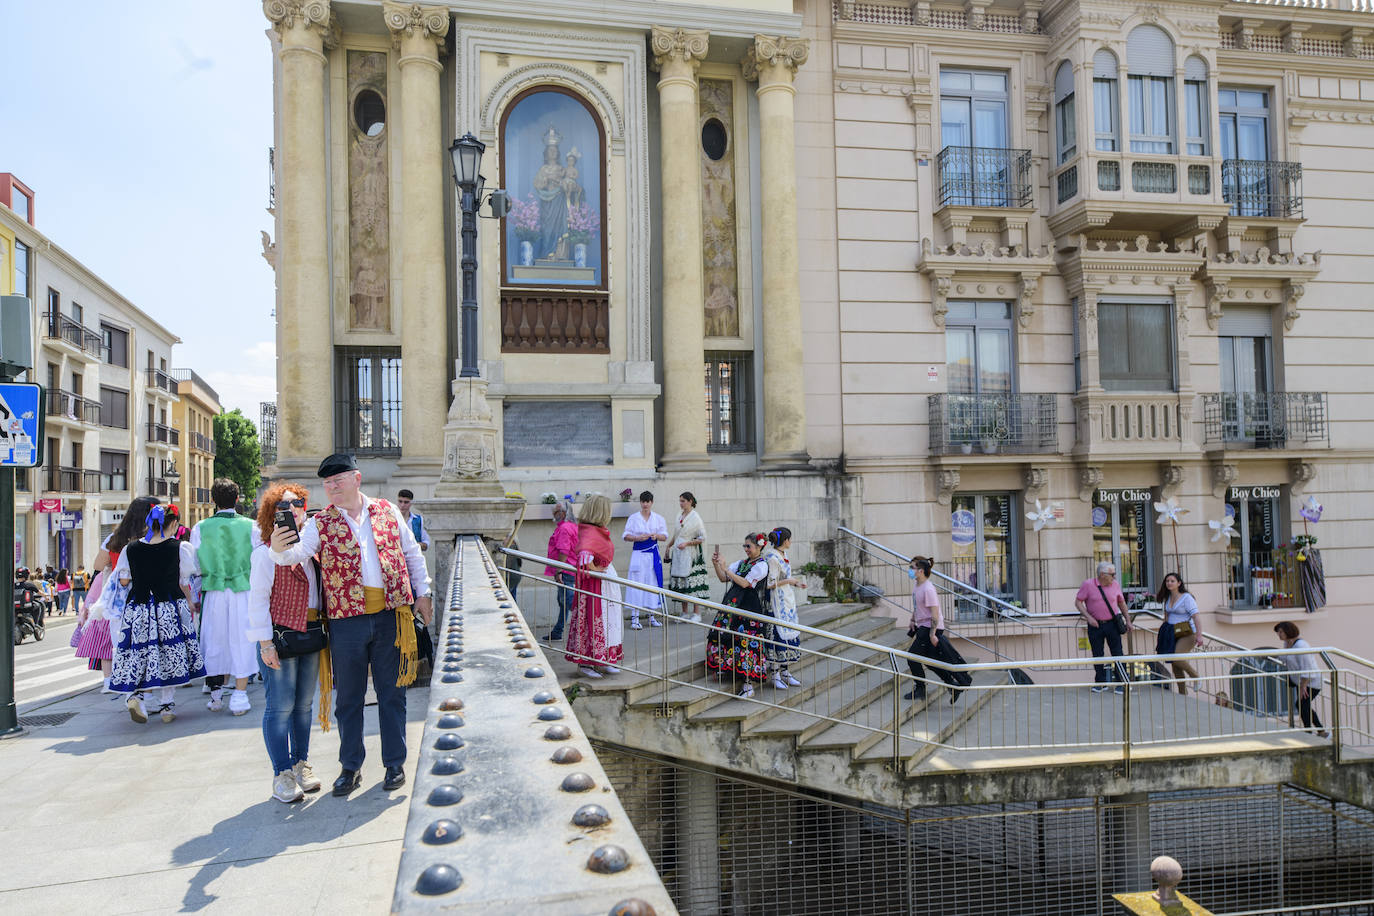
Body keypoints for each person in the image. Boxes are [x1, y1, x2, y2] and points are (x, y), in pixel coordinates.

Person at [269, 453, 432, 796]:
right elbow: (295, 554)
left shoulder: (387, 511)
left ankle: (394, 763)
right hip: (346, 622)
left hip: (391, 616)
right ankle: (351, 766)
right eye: (327, 484)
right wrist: (278, 549)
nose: (331, 488)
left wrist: (424, 592)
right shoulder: (319, 523)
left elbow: (411, 552)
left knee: (392, 693)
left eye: (337, 482)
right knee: (349, 699)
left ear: (356, 479)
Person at [248, 481, 330, 804]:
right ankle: (281, 773)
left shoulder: (310, 550)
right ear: (272, 515)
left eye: (297, 503)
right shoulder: (264, 555)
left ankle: (300, 764)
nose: (293, 510)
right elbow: (257, 600)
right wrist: (265, 643)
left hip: (310, 633)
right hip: (280, 636)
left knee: (304, 706)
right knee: (280, 707)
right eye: (284, 506)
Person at [109, 505, 207, 724]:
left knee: (140, 652)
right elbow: (184, 581)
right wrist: (191, 602)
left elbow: (124, 580)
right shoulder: (180, 547)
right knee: (170, 652)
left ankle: (137, 695)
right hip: (168, 605)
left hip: (139, 606)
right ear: (173, 523)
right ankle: (167, 705)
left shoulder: (130, 549)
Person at [76, 497, 158, 691]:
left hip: (118, 598)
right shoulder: (153, 537)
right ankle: (144, 685)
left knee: (120, 640)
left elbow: (97, 565)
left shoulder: (114, 537)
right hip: (147, 592)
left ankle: (119, 681)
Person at [193, 479, 258, 716]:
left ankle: (216, 695)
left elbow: (196, 565)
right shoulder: (252, 526)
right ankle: (240, 696)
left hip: (214, 589)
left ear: (212, 500)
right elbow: (259, 560)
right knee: (243, 639)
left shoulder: (200, 527)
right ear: (238, 498)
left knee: (214, 640)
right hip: (243, 589)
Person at [564, 493, 624, 678]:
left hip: (605, 582)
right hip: (594, 585)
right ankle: (586, 663)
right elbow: (583, 557)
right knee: (593, 621)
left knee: (609, 621)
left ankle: (605, 659)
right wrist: (594, 568)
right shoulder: (590, 532)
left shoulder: (598, 531)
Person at [706, 533, 771, 699]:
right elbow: (723, 578)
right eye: (745, 546)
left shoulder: (762, 566)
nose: (746, 549)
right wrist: (717, 565)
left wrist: (726, 567)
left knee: (747, 642)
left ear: (759, 547)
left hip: (749, 608)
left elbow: (746, 583)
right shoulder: (741, 563)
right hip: (733, 605)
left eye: (749, 546)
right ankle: (728, 669)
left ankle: (748, 685)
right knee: (726, 636)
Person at [905, 555, 973, 703]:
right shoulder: (918, 586)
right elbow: (919, 606)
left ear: (921, 571)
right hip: (923, 626)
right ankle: (952, 686)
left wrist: (932, 634)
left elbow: (935, 613)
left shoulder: (928, 589)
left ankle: (920, 689)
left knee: (912, 657)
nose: (909, 570)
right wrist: (912, 620)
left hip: (930, 628)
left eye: (912, 567)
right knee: (930, 661)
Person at [1075, 561, 1133, 693]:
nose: (1114, 577)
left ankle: (1122, 682)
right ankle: (1100, 682)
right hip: (1095, 625)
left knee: (1117, 653)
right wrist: (1088, 617)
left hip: (1112, 623)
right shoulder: (1088, 584)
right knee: (1097, 653)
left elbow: (1122, 603)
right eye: (1112, 574)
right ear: (1102, 574)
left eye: (1114, 574)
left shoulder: (1115, 585)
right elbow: (1078, 602)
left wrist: (1128, 620)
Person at [763, 527, 805, 689]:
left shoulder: (783, 555)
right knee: (777, 634)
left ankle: (785, 671)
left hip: (786, 600)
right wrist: (789, 582)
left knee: (789, 633)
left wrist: (795, 583)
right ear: (785, 540)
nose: (791, 542)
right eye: (790, 539)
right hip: (775, 601)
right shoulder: (772, 557)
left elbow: (785, 577)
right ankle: (775, 673)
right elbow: (769, 584)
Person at [1274, 621, 1328, 738]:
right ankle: (1319, 731)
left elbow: (1307, 666)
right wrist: (1272, 654)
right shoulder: (1287, 644)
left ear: (1289, 631)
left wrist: (1303, 685)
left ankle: (1311, 731)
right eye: (1278, 632)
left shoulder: (1301, 645)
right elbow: (1286, 657)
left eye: (1281, 632)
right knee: (1303, 705)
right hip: (1301, 681)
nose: (1279, 634)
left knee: (1302, 704)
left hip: (1311, 682)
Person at [622, 490, 666, 630]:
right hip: (639, 554)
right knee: (636, 583)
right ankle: (635, 617)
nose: (645, 504)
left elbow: (664, 535)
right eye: (643, 501)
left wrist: (655, 536)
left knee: (651, 583)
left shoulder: (658, 518)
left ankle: (651, 616)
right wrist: (637, 538)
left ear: (651, 503)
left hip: (652, 554)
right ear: (640, 503)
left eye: (648, 501)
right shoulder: (634, 518)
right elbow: (626, 535)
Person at [1155, 573, 1204, 694]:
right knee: (1174, 664)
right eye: (1167, 581)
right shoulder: (1168, 598)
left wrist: (1199, 635)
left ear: (1179, 583)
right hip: (1172, 633)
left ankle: (1196, 676)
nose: (1169, 583)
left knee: (1176, 657)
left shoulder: (1187, 598)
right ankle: (1182, 693)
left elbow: (1196, 617)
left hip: (1187, 633)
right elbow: (1167, 617)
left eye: (1172, 581)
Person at [664, 492, 709, 624]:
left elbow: (702, 537)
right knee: (682, 582)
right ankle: (684, 612)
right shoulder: (679, 515)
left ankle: (696, 613)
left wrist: (687, 543)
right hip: (678, 553)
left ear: (690, 501)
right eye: (680, 501)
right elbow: (676, 534)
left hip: (690, 554)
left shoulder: (695, 517)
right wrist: (669, 546)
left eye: (683, 501)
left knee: (692, 582)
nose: (681, 503)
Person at [544, 499, 579, 640]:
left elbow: (564, 551)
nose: (554, 513)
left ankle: (586, 626)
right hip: (570, 568)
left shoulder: (565, 528)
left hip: (565, 570)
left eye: (556, 511)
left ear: (563, 513)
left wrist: (559, 571)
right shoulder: (571, 526)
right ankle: (558, 631)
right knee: (563, 601)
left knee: (568, 601)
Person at [396, 488, 430, 553]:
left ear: (411, 503)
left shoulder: (419, 520)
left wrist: (414, 545)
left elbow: (426, 543)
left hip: (414, 557)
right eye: (400, 501)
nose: (402, 505)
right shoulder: (392, 519)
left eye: (406, 502)